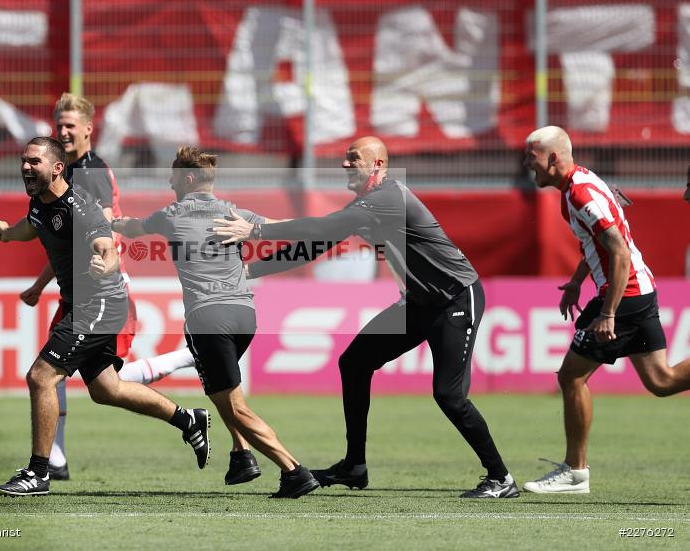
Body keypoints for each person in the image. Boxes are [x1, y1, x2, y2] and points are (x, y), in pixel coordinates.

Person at [214, 136, 519, 499]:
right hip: (420, 304)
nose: (345, 165)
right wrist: (249, 272)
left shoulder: (388, 198)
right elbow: (313, 246)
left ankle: (501, 477)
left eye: (353, 159)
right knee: (355, 363)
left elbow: (320, 228)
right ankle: (354, 467)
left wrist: (257, 230)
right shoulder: (367, 205)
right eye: (344, 158)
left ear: (378, 165)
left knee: (449, 396)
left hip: (455, 299)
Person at [0, 137, 210, 496]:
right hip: (84, 305)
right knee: (107, 390)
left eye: (34, 161)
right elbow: (33, 226)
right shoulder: (39, 203)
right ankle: (187, 419)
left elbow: (106, 245)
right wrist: (8, 235)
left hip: (100, 304)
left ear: (57, 168)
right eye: (24, 161)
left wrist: (103, 262)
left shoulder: (81, 207)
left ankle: (39, 473)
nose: (26, 167)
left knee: (41, 376)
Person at [112, 146, 320, 498]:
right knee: (223, 390)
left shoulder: (172, 213)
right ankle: (241, 455)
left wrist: (110, 222)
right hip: (245, 315)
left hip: (208, 317)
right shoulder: (233, 212)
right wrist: (254, 236)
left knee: (235, 407)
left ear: (189, 179)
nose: (169, 182)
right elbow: (291, 231)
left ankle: (293, 471)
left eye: (175, 176)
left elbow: (133, 229)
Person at [520, 126, 690, 494]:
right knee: (662, 381)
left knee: (571, 377)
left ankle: (575, 471)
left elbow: (619, 251)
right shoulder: (577, 185)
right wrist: (579, 280)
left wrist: (608, 311)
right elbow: (599, 242)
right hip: (634, 288)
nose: (525, 163)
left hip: (624, 294)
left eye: (531, 156)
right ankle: (575, 470)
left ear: (553, 158)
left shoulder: (579, 193)